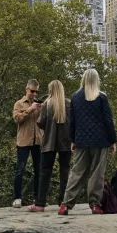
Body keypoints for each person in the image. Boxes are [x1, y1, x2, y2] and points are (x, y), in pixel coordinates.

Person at [59, 68, 117, 215]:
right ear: (97, 80)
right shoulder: (101, 97)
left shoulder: (75, 97)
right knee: (97, 173)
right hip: (100, 140)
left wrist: (73, 139)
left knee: (77, 172)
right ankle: (94, 205)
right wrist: (113, 140)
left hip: (81, 141)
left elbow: (72, 122)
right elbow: (108, 121)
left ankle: (65, 204)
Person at [28, 80, 72, 212]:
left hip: (49, 141)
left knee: (45, 172)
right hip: (66, 141)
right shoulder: (69, 103)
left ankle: (40, 203)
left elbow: (41, 123)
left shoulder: (47, 104)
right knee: (65, 171)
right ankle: (63, 202)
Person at [12, 79, 43, 208]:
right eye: (32, 91)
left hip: (37, 141)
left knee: (39, 170)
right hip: (24, 141)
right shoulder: (19, 104)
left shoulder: (38, 104)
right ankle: (17, 198)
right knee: (20, 169)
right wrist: (30, 109)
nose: (34, 94)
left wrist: (42, 109)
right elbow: (17, 119)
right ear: (26, 89)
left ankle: (37, 198)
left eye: (36, 92)